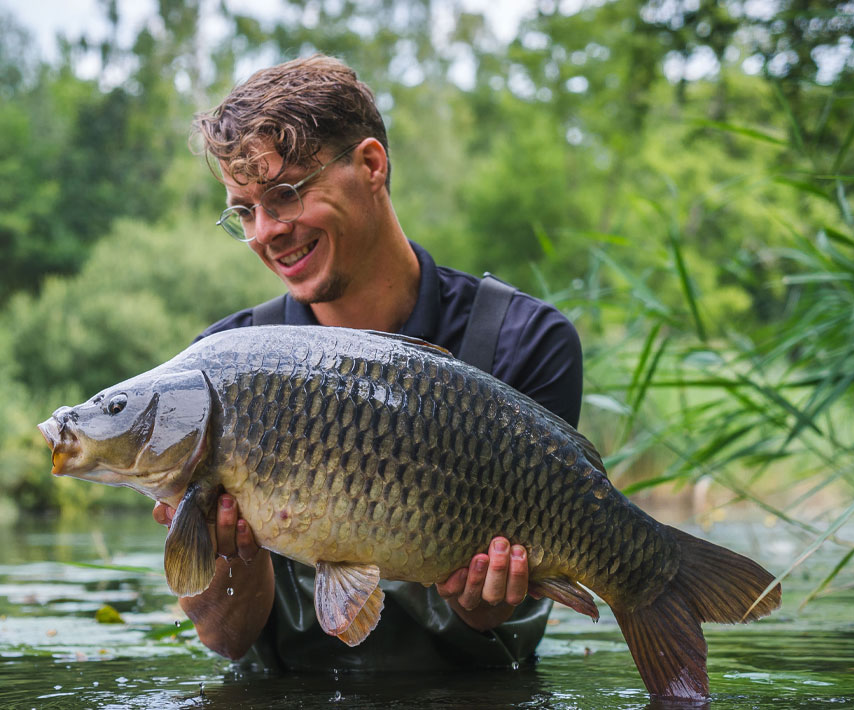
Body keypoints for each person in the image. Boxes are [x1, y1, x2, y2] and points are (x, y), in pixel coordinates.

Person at [152, 54, 584, 671]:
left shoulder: (526, 340)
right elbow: (226, 641)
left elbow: (508, 618)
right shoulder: (220, 369)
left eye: (284, 195)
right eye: (244, 210)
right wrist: (229, 560)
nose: (264, 232)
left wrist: (486, 603)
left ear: (371, 165)